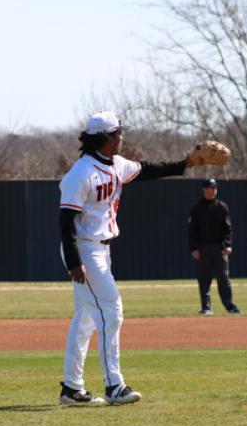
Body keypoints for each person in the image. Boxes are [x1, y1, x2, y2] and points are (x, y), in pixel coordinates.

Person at [58, 110, 197, 405]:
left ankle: (71, 388)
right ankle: (114, 386)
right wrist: (73, 261)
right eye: (118, 133)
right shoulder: (81, 173)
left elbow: (147, 170)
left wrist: (184, 164)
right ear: (106, 138)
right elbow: (65, 221)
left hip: (101, 249)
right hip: (84, 247)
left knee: (85, 318)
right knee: (112, 310)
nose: (122, 137)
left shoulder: (116, 164)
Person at [188, 178, 242, 316]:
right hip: (203, 248)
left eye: (215, 188)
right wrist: (193, 248)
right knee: (204, 279)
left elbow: (228, 228)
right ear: (204, 189)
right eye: (211, 188)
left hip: (220, 248)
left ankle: (230, 306)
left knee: (223, 278)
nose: (214, 190)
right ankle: (206, 307)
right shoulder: (197, 208)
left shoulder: (222, 207)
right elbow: (192, 230)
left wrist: (228, 245)